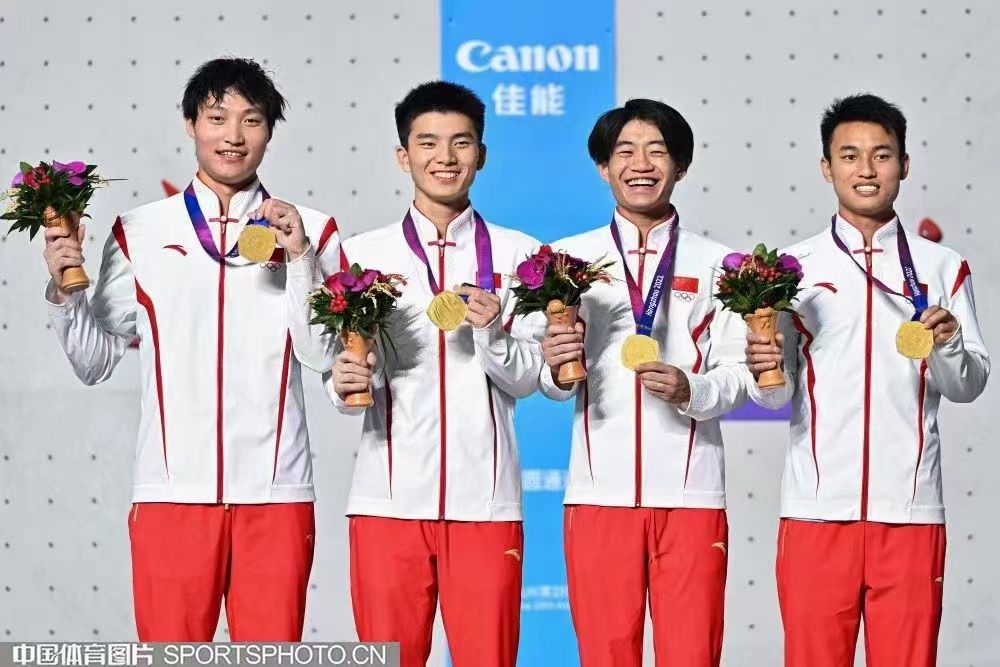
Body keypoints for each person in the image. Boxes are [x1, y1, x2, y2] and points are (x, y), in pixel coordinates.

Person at [42, 57, 341, 641]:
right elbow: (95, 361)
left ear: (270, 131)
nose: (233, 136)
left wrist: (302, 258)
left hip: (276, 494)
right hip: (170, 495)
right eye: (217, 117)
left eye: (251, 120)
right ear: (190, 124)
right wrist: (64, 290)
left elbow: (323, 353)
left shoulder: (311, 230)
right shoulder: (141, 231)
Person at [745, 93, 990, 666]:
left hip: (909, 512)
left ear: (904, 164)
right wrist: (762, 368)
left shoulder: (942, 266)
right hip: (815, 512)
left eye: (881, 155)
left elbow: (968, 384)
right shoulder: (789, 269)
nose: (866, 169)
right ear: (826, 167)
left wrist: (949, 342)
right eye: (849, 155)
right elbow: (773, 395)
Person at [327, 81, 542, 667]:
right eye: (427, 143)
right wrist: (344, 385)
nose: (444, 157)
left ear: (482, 154)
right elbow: (339, 374)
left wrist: (493, 332)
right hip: (387, 502)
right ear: (403, 156)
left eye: (460, 142)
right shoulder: (360, 256)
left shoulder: (522, 256)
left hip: (486, 504)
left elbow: (530, 378)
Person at [530, 99, 752, 666]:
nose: (641, 164)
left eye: (658, 151)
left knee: (692, 654)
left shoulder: (721, 265)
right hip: (598, 496)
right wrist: (555, 367)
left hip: (691, 495)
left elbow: (740, 375)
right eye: (625, 152)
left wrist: (691, 390)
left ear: (681, 165)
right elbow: (547, 379)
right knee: (605, 655)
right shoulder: (566, 261)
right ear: (603, 167)